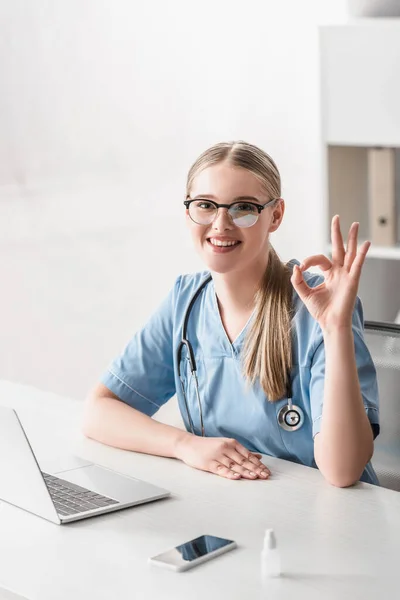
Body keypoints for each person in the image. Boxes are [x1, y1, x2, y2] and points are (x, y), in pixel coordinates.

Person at [83, 141, 379, 487]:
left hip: (327, 518)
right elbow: (98, 412)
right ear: (188, 211)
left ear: (276, 215)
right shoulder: (185, 302)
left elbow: (343, 472)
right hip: (228, 507)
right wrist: (185, 445)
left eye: (243, 208)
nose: (221, 224)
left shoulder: (318, 306)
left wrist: (336, 327)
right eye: (206, 205)